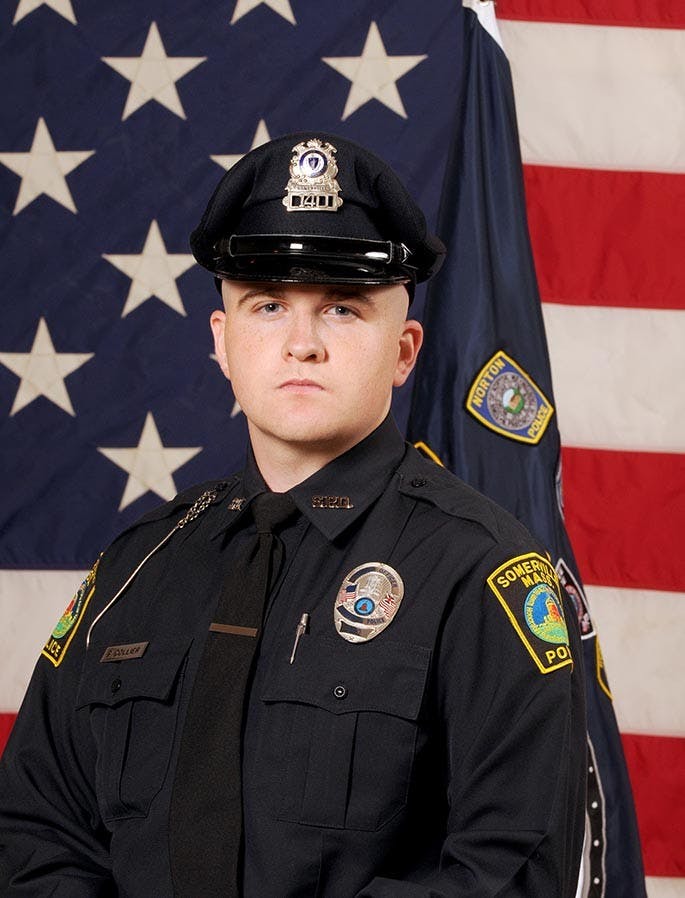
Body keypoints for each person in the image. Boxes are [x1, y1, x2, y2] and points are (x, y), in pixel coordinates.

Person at [0, 133, 586, 897]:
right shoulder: (137, 569)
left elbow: (510, 870)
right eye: (268, 305)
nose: (300, 344)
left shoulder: (480, 572)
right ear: (223, 341)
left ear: (404, 351)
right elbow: (35, 832)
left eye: (341, 309)